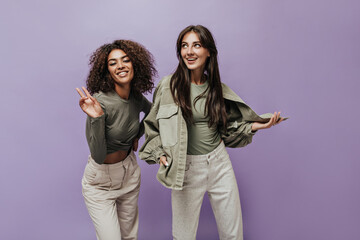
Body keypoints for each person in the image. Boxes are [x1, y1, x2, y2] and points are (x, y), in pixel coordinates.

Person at [139, 25, 285, 240]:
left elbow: (226, 131)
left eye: (196, 45)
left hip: (219, 164)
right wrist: (158, 153)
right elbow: (152, 125)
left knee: (233, 234)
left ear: (209, 51)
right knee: (183, 235)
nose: (189, 51)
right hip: (185, 167)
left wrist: (258, 125)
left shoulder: (217, 89)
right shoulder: (168, 86)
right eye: (184, 46)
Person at [76, 39, 156, 240]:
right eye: (113, 63)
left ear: (134, 64)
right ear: (107, 71)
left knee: (129, 237)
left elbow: (154, 113)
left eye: (125, 60)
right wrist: (97, 118)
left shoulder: (136, 97)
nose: (120, 66)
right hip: (100, 183)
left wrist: (137, 134)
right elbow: (98, 154)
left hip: (129, 174)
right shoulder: (100, 102)